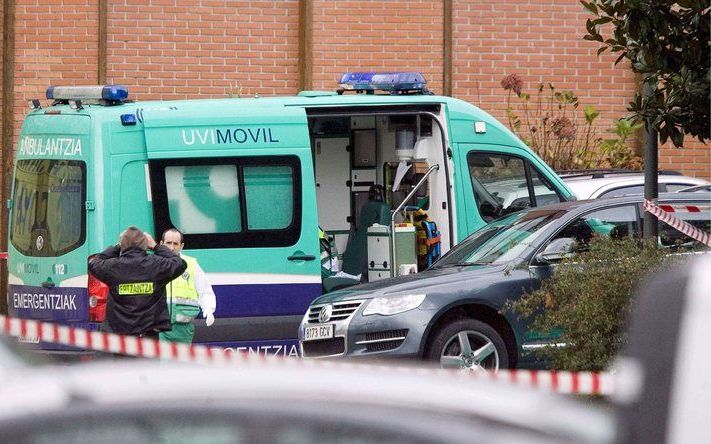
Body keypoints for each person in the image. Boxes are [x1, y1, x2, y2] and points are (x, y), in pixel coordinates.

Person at [88, 226, 187, 338]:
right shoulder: (156, 265)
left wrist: (118, 246)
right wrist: (155, 246)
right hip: (148, 336)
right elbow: (179, 263)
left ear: (123, 245)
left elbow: (94, 263)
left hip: (120, 337)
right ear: (145, 244)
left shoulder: (113, 266)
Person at [159, 228, 216, 343]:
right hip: (159, 327)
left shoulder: (191, 265)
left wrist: (208, 309)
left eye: (175, 244)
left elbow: (205, 290)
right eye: (168, 243)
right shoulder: (153, 263)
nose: (171, 247)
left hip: (183, 329)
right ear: (161, 243)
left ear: (181, 246)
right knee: (161, 361)